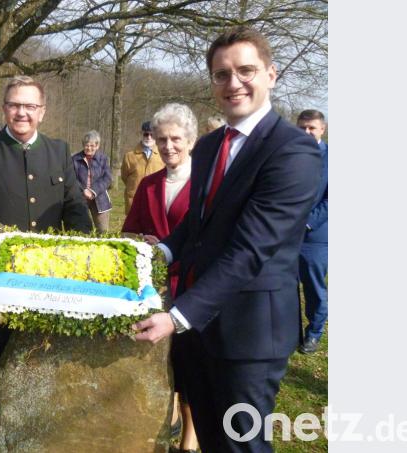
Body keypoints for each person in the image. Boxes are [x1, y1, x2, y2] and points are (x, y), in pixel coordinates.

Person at [132, 26, 322, 453]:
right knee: (212, 439)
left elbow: (251, 249)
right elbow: (198, 223)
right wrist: (159, 252)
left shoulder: (293, 151)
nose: (233, 83)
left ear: (271, 74)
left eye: (245, 70)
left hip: (251, 333)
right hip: (200, 328)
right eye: (221, 74)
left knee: (242, 444)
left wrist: (178, 317)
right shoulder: (208, 146)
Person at [0, 75, 92, 386]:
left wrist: (83, 252)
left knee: (45, 352)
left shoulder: (58, 150)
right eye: (15, 105)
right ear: (4, 108)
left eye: (30, 106)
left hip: (50, 272)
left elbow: (74, 205)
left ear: (42, 111)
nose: (22, 112)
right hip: (3, 273)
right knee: (1, 353)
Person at [121, 103, 198, 453]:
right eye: (162, 139)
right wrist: (141, 240)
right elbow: (128, 231)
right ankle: (166, 422)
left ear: (191, 140)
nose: (168, 146)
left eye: (176, 139)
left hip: (193, 287)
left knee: (190, 366)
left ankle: (189, 440)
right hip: (154, 290)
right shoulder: (149, 184)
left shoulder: (206, 185)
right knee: (162, 361)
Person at [295, 109, 328, 354]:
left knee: (313, 288)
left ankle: (314, 333)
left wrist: (306, 223)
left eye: (311, 128)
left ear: (322, 130)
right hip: (285, 234)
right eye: (302, 128)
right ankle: (290, 330)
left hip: (314, 237)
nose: (306, 132)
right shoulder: (288, 155)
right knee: (285, 285)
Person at [71, 130, 112, 233]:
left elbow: (107, 178)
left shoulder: (103, 159)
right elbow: (72, 178)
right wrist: (83, 190)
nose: (89, 148)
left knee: (102, 231)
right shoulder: (75, 159)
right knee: (81, 230)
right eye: (86, 145)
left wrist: (93, 191)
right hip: (80, 198)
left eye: (92, 145)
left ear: (97, 146)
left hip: (100, 198)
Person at [120, 120, 164, 213]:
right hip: (134, 200)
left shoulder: (162, 155)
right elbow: (124, 177)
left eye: (152, 135)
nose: (149, 137)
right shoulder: (129, 156)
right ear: (141, 134)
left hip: (155, 200)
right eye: (146, 134)